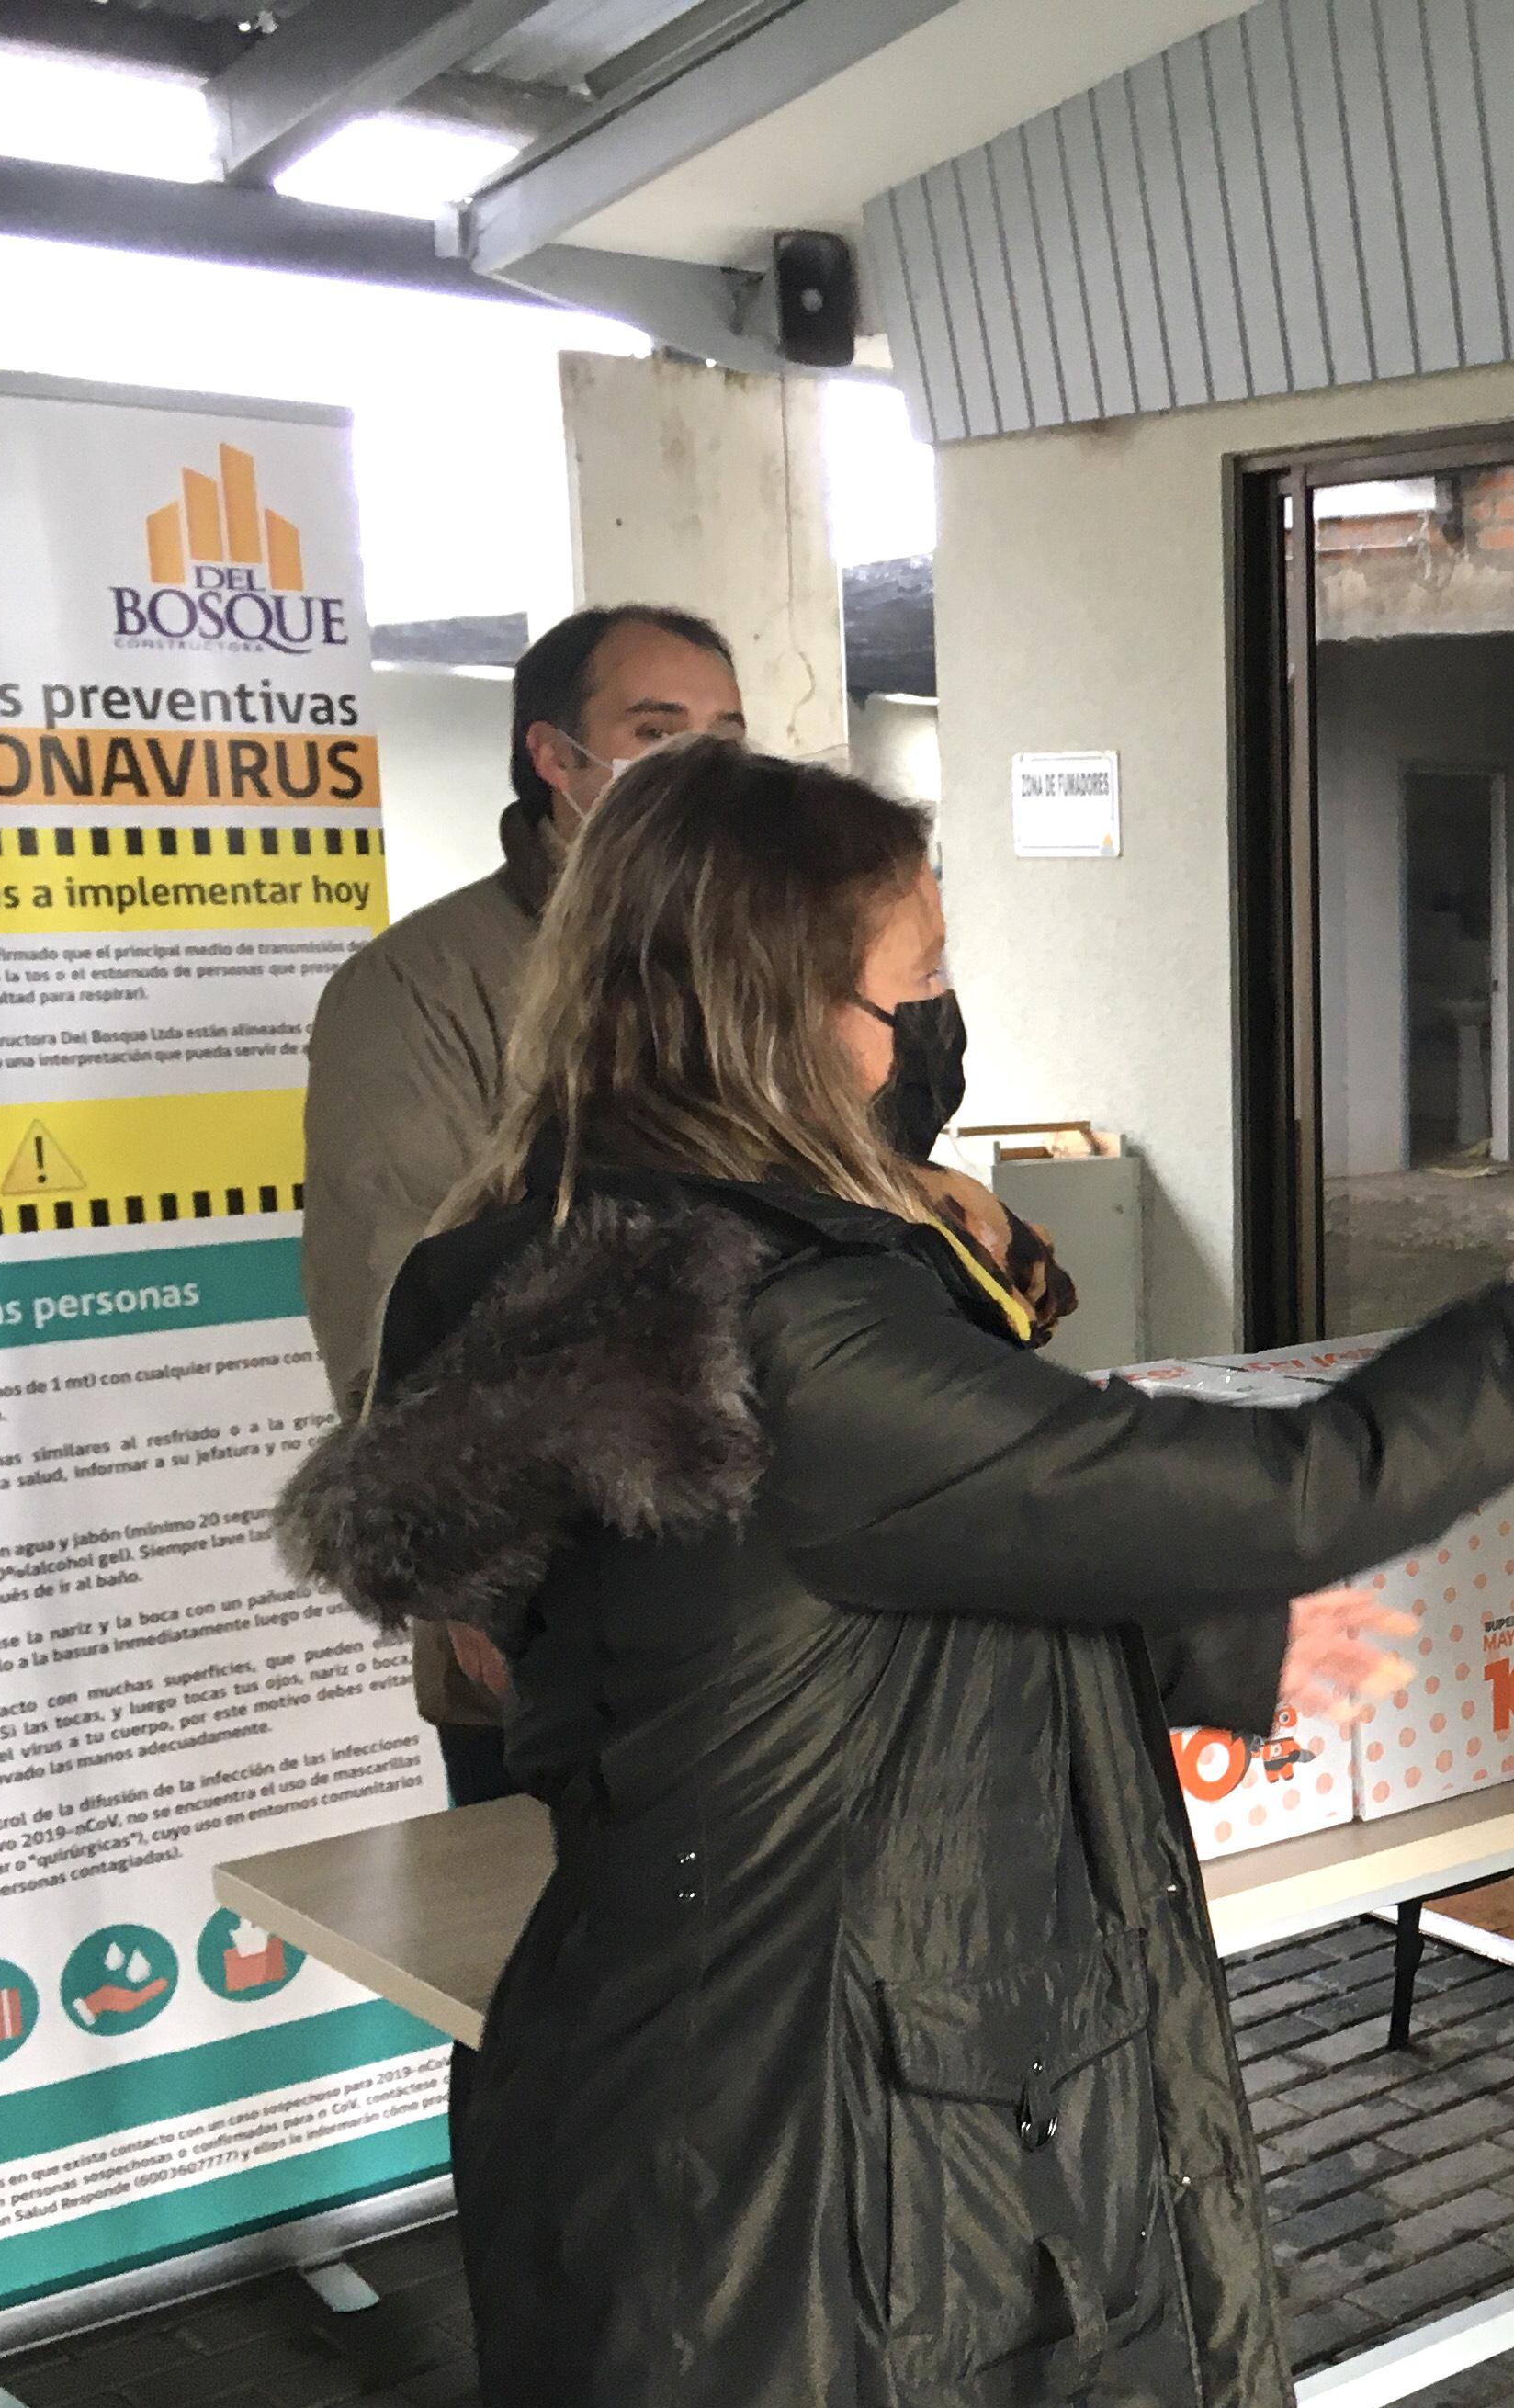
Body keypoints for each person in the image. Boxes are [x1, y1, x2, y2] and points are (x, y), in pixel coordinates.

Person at [276, 739, 1514, 2408]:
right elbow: (1293, 1479)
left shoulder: (549, 1255)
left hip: (837, 2133)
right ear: (771, 1010)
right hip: (814, 2202)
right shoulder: (776, 1332)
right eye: (908, 987)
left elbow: (801, 1622)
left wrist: (1202, 1637)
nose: (934, 1027)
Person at [299, 605, 999, 1805]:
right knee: (576, 1949)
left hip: (795, 1574)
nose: (701, 767)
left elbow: (833, 1168)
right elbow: (390, 1294)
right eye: (655, 731)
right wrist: (485, 1580)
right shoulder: (421, 987)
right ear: (555, 759)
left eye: (725, 732)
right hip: (569, 1591)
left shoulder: (759, 944)